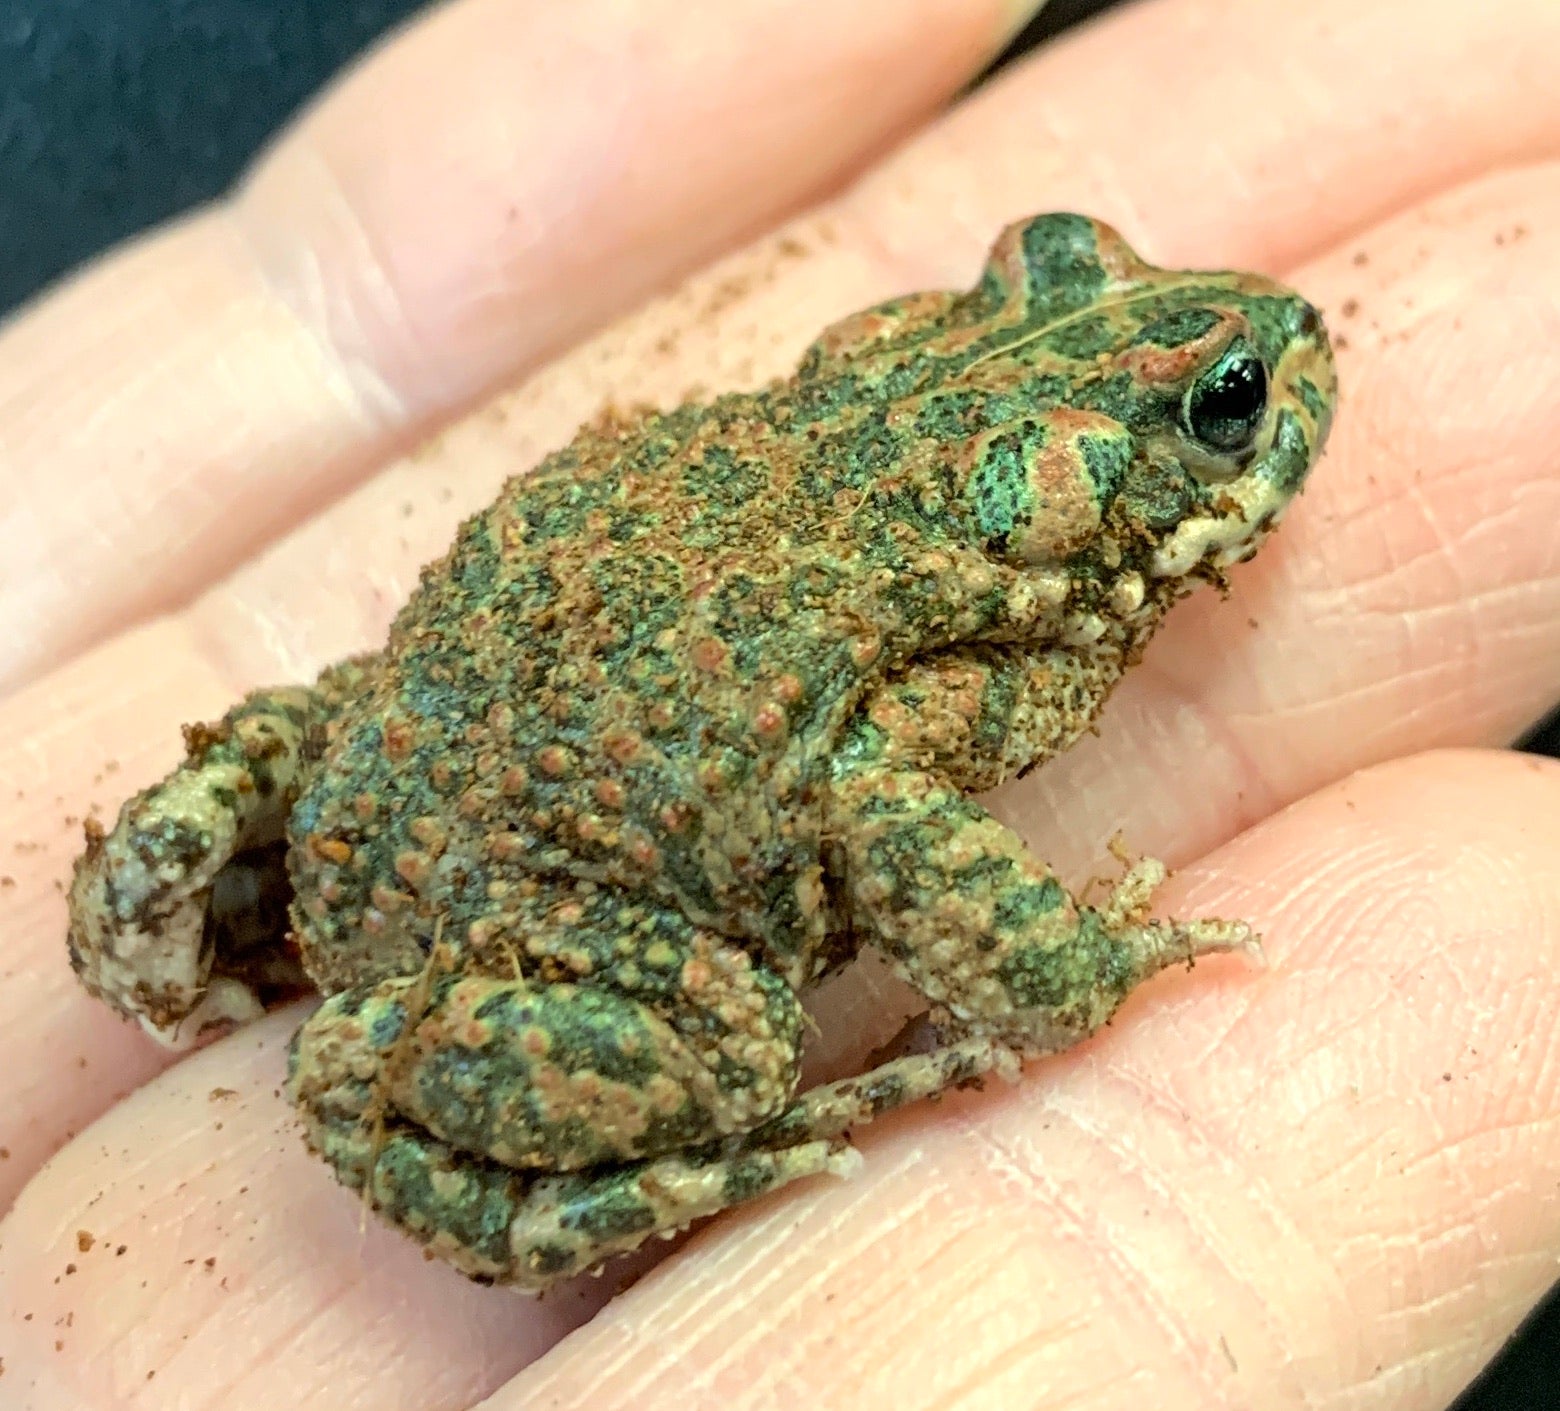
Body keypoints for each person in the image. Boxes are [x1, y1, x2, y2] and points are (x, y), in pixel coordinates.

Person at [0, 1, 1556, 1405]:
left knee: (349, 730)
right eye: (1227, 414)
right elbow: (881, 806)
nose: (1261, 385)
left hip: (383, 787)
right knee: (738, 1043)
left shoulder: (896, 448)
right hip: (551, 907)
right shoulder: (988, 639)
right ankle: (424, 1078)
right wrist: (1063, 972)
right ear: (1089, 505)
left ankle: (189, 917)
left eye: (1223, 407)